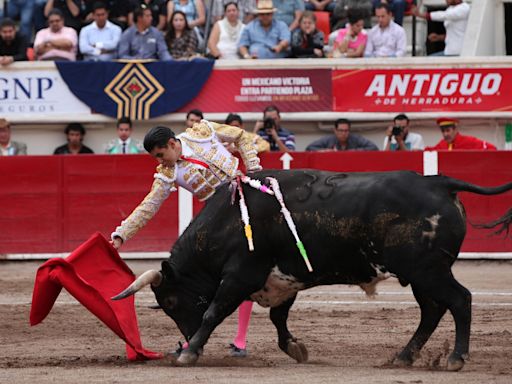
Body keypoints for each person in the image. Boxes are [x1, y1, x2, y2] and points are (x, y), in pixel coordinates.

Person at [109, 120, 263, 357]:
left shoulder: (202, 132)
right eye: (156, 157)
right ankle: (195, 335)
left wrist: (253, 168)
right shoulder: (167, 173)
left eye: (161, 154)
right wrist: (121, 234)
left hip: (249, 199)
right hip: (221, 220)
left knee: (246, 268)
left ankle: (239, 340)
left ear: (172, 143)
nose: (160, 161)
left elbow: (242, 136)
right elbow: (148, 206)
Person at [306, 118, 378, 151]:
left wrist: (354, 151)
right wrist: (325, 151)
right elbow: (309, 148)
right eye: (341, 131)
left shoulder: (356, 138)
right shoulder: (328, 139)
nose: (343, 133)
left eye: (346, 131)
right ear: (335, 131)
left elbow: (374, 148)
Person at [426, 118, 497, 151]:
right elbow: (430, 151)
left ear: (455, 130)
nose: (445, 134)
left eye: (448, 131)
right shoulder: (442, 144)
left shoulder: (469, 141)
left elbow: (491, 149)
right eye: (443, 131)